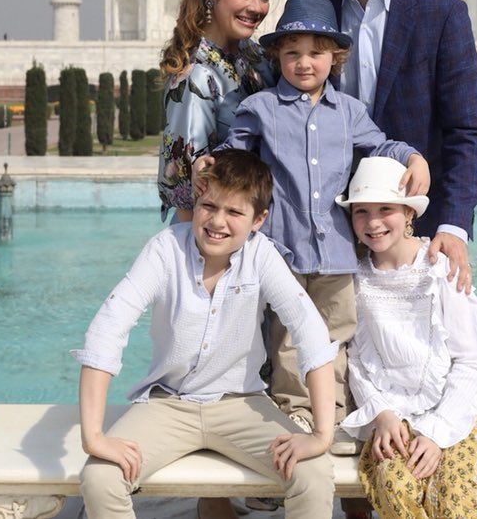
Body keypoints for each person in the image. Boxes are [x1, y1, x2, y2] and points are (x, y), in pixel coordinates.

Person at [196, 0, 430, 430]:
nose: (305, 63)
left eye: (316, 53)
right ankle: (296, 414)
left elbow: (381, 146)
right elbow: (234, 154)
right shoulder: (260, 108)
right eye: (292, 53)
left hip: (337, 252)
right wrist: (209, 163)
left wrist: (413, 157)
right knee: (287, 338)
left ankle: (336, 414)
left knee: (337, 336)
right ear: (277, 56)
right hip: (282, 250)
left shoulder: (349, 112)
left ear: (335, 58)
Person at [76, 150, 337, 519]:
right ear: (196, 201)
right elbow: (108, 327)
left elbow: (310, 332)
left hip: (241, 404)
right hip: (168, 405)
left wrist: (321, 435)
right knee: (100, 478)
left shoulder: (261, 256)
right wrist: (94, 437)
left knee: (313, 473)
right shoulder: (165, 249)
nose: (217, 221)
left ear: (258, 219)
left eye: (234, 212)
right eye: (209, 206)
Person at [292, 0, 477, 294]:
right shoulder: (309, 4)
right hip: (322, 225)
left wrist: (453, 224)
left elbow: (465, 130)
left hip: (410, 226)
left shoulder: (441, 13)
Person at [338, 156, 477, 519]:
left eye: (385, 208)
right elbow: (356, 358)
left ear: (408, 213)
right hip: (395, 410)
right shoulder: (355, 280)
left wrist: (436, 432)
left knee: (455, 491)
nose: (373, 222)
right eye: (361, 211)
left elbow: (472, 361)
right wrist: (382, 414)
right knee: (395, 481)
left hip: (456, 408)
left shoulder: (441, 268)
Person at [158, 0, 277, 223]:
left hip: (258, 223)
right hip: (214, 234)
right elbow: (187, 193)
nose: (256, 7)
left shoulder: (256, 56)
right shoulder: (196, 74)